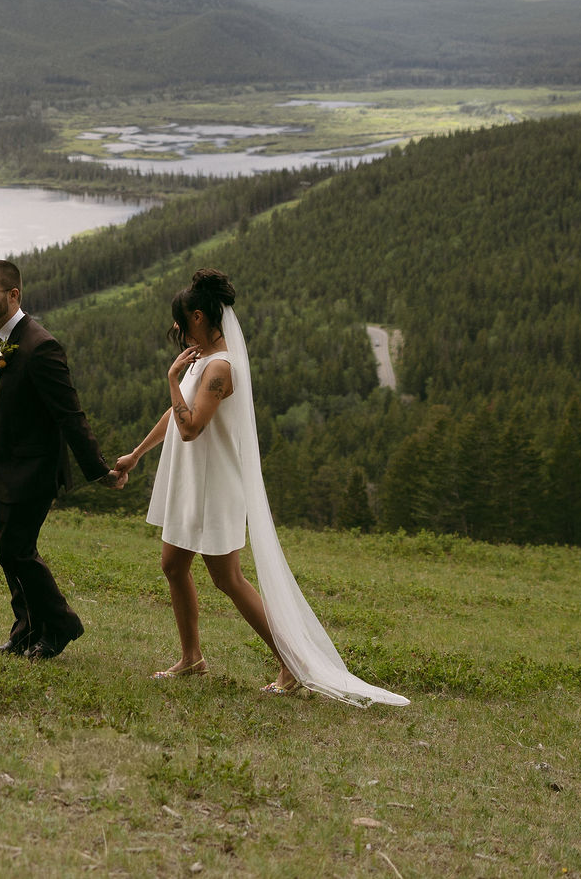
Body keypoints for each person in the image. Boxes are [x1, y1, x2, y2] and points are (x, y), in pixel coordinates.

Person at [113, 269, 408, 706]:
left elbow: (190, 427)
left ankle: (290, 662)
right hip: (192, 481)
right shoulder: (200, 360)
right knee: (173, 565)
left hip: (215, 485)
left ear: (197, 316)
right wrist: (137, 454)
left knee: (227, 578)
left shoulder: (221, 367)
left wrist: (171, 379)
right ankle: (191, 658)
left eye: (180, 320)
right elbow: (173, 418)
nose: (175, 328)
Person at [0, 259, 125, 659]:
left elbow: (69, 414)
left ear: (13, 294)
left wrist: (98, 470)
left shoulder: (41, 346)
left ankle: (61, 626)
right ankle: (26, 630)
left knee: (14, 551)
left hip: (32, 473)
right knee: (8, 552)